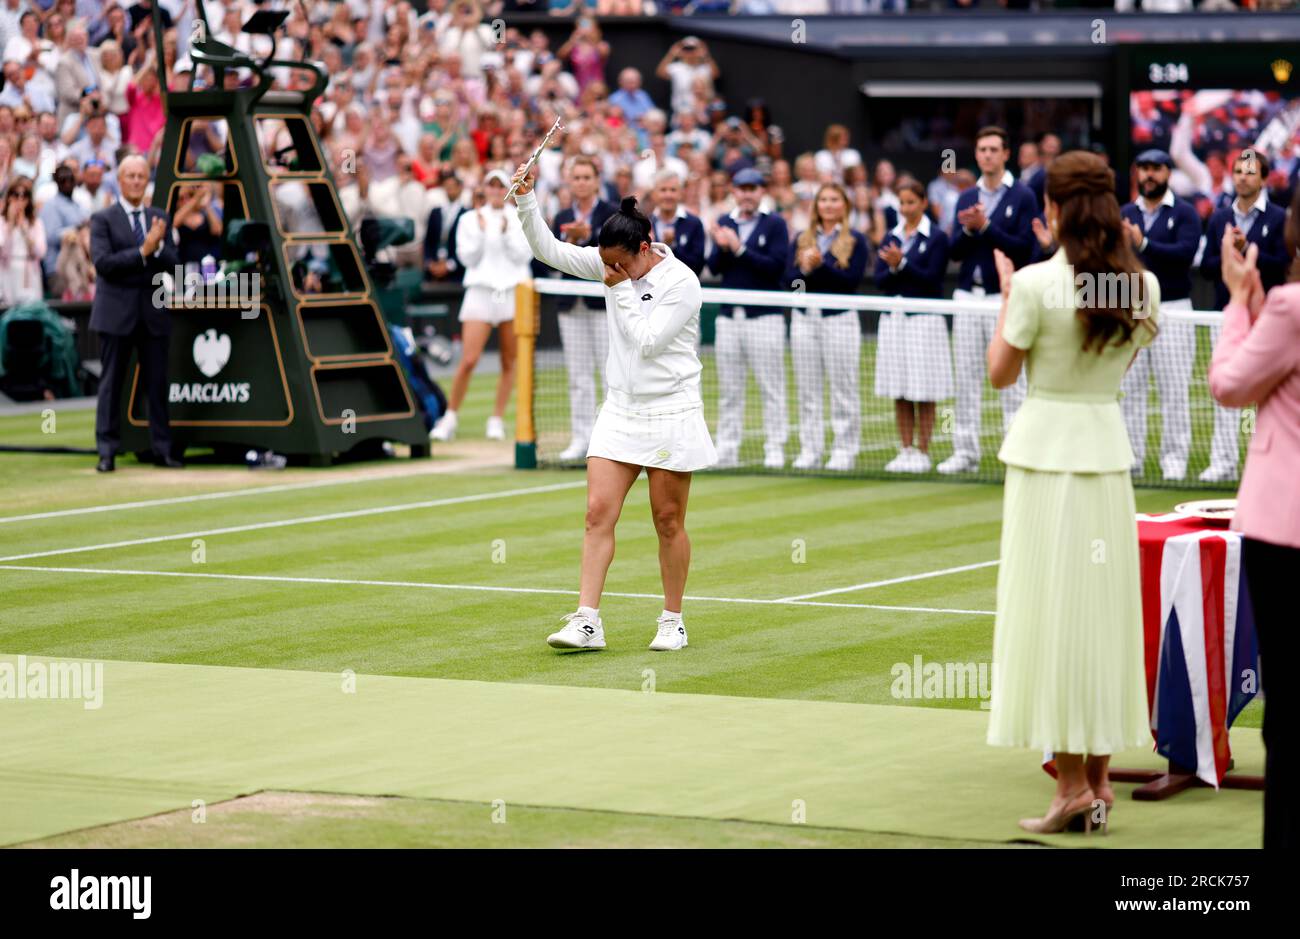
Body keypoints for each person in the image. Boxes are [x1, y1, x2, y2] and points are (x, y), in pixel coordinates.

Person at [986, 150, 1158, 834]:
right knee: (1101, 616)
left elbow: (1001, 373)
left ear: (1050, 210)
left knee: (1054, 617)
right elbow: (1127, 353)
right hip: (1104, 455)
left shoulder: (1031, 284)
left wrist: (1007, 301)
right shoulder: (1134, 287)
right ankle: (1098, 779)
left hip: (1045, 459)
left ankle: (1074, 790)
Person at [512, 161, 716, 653]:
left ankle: (672, 619)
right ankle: (587, 621)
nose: (610, 270)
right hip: (621, 410)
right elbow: (549, 251)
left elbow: (646, 341)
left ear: (644, 249)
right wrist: (525, 200)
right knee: (596, 513)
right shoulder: (611, 262)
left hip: (671, 411)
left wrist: (620, 288)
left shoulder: (682, 284)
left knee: (667, 521)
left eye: (619, 264)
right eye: (605, 264)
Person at [1208, 200, 1300, 850]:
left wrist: (1240, 302)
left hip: (1284, 527)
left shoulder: (1291, 309)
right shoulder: (1287, 308)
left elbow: (1231, 384)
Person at [941, 126, 1037, 475]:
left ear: (1006, 154)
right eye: (982, 149)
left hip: (1006, 298)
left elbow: (1025, 249)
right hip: (969, 295)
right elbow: (954, 251)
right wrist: (969, 229)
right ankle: (963, 452)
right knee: (964, 378)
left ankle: (1015, 453)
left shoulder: (1023, 196)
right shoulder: (966, 197)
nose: (987, 155)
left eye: (994, 149)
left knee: (1012, 379)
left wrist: (985, 228)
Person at [1198, 149, 1290, 484]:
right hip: (1228, 313)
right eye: (1238, 171)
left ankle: (1258, 459)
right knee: (1227, 383)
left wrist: (1246, 249)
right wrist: (1228, 255)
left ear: (1264, 178)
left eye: (1250, 172)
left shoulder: (1280, 217)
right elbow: (1207, 266)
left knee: (1263, 393)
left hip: (1266, 316)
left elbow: (1282, 263)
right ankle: (1222, 460)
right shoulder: (1221, 217)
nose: (1242, 177)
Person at [88, 153, 180, 473]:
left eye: (141, 176)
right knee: (112, 383)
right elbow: (104, 264)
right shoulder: (103, 219)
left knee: (157, 383)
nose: (137, 181)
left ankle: (163, 449)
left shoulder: (159, 217)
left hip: (153, 311)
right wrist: (144, 250)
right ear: (119, 180)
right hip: (116, 313)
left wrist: (157, 246)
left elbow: (174, 261)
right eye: (131, 176)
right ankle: (107, 451)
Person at [430, 170, 532, 444]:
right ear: (485, 190)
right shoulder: (468, 220)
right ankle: (449, 417)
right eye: (492, 186)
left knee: (508, 360)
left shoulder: (520, 217)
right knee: (469, 359)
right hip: (480, 292)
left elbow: (523, 254)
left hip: (512, 292)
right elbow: (467, 258)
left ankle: (496, 419)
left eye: (501, 186)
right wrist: (485, 233)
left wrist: (503, 233)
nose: (497, 191)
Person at [1117, 149, 1200, 481]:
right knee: (1130, 387)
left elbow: (1184, 255)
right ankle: (1130, 456)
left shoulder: (1185, 213)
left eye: (1156, 169)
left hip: (1174, 309)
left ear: (1168, 173)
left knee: (1174, 388)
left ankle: (1174, 460)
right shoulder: (1125, 212)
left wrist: (1144, 243)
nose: (1149, 175)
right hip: (1132, 309)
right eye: (1144, 169)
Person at [707, 167, 791, 469]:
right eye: (741, 188)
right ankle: (728, 449)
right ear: (734, 191)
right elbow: (715, 268)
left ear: (761, 191)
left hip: (765, 316)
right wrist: (722, 246)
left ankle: (775, 448)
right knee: (730, 389)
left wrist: (739, 248)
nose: (746, 194)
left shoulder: (776, 224)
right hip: (730, 317)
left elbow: (776, 268)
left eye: (752, 188)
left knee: (772, 387)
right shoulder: (725, 222)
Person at [785, 182, 869, 472]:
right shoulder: (801, 238)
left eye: (835, 200)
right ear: (816, 206)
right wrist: (804, 270)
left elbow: (850, 283)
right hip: (805, 319)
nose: (829, 205)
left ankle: (844, 449)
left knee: (843, 389)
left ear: (844, 205)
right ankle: (811, 448)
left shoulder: (856, 240)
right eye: (824, 200)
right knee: (808, 389)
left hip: (840, 320)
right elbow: (790, 283)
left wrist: (820, 266)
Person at [873, 178, 952, 473]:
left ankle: (923, 450)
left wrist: (902, 264)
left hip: (925, 320)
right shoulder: (890, 237)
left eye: (911, 202)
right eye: (901, 203)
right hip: (895, 319)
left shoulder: (936, 238)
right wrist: (894, 267)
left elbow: (932, 279)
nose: (905, 208)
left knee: (924, 389)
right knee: (901, 388)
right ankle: (905, 449)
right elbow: (880, 280)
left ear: (922, 204)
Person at [550, 156, 617, 461]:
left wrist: (587, 238)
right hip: (570, 303)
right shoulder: (562, 214)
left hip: (603, 302)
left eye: (586, 177)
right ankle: (582, 438)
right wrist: (569, 238)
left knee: (609, 374)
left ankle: (612, 440)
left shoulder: (611, 212)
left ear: (596, 180)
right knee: (578, 375)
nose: (581, 182)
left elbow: (615, 253)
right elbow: (551, 254)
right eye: (575, 177)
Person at [647, 167, 705, 276]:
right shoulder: (644, 224)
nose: (668, 195)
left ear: (681, 193)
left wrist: (672, 246)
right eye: (663, 190)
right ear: (653, 194)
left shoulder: (694, 223)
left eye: (673, 190)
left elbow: (698, 266)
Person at [0, 176, 46, 305]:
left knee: (31, 310)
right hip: (8, 271)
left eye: (24, 195)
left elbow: (40, 252)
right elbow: (2, 251)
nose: (19, 200)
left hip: (29, 270)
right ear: (9, 197)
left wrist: (24, 230)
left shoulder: (36, 223)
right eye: (16, 195)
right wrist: (9, 225)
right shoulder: (2, 222)